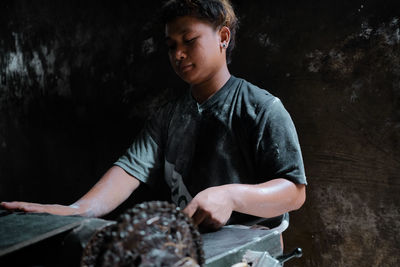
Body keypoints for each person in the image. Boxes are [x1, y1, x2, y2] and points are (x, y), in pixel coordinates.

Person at [1, 0, 306, 231]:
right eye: (171, 46)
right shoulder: (168, 117)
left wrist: (231, 196)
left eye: (189, 41)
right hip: (191, 256)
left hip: (251, 258)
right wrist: (77, 210)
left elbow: (294, 192)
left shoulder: (261, 108)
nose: (178, 54)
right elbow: (128, 171)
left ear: (223, 37)